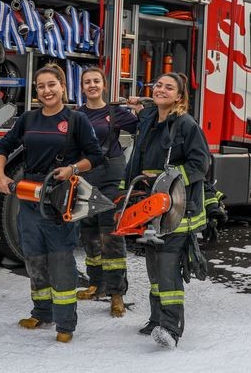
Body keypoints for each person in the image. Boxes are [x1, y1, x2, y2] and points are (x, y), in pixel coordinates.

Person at [0, 63, 104, 344]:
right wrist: (0, 175)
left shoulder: (76, 120)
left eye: (51, 85)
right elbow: (3, 147)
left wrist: (72, 169)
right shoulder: (28, 119)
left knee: (60, 261)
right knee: (34, 258)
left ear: (62, 87)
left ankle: (65, 323)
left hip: (60, 199)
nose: (46, 91)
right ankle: (42, 311)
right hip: (30, 199)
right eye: (41, 86)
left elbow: (95, 155)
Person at [125, 72, 211, 349]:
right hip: (150, 207)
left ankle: (171, 329)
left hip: (177, 209)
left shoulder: (186, 124)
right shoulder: (150, 121)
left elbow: (200, 164)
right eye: (158, 85)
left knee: (167, 268)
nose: (161, 89)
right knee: (153, 267)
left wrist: (166, 178)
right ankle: (155, 318)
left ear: (179, 96)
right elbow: (137, 158)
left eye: (169, 87)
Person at [75, 67, 138, 317]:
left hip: (111, 178)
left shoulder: (116, 113)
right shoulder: (76, 115)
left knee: (111, 236)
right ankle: (96, 284)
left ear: (104, 86)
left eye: (96, 81)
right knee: (89, 235)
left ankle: (116, 294)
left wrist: (141, 108)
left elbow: (145, 128)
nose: (92, 85)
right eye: (87, 82)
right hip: (85, 179)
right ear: (81, 87)